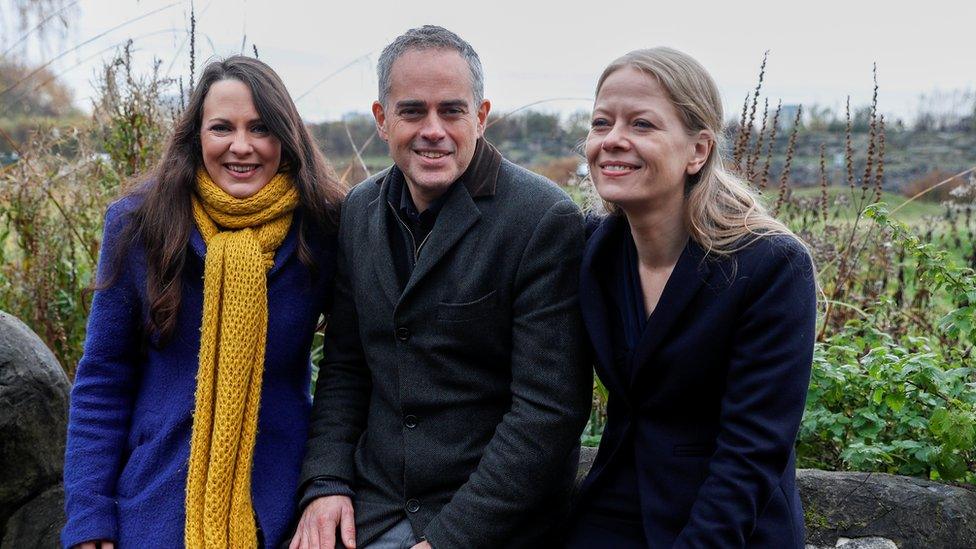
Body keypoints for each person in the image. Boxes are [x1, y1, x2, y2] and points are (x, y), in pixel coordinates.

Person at [291, 25, 591, 549]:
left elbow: (548, 412)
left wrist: (449, 540)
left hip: (490, 518)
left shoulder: (541, 219)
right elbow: (345, 367)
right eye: (412, 111)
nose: (434, 130)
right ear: (382, 120)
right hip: (376, 499)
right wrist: (326, 482)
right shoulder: (359, 212)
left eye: (452, 111)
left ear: (481, 115)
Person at [61, 56, 343, 549]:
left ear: (286, 137)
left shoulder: (321, 230)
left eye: (261, 128)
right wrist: (90, 517)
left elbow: (352, 371)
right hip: (155, 499)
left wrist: (328, 485)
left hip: (283, 500)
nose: (242, 146)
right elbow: (104, 379)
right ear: (197, 136)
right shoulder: (139, 226)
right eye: (222, 127)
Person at [565, 48, 817, 548]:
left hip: (729, 527)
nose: (612, 140)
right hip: (614, 512)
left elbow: (752, 452)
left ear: (698, 150)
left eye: (641, 125)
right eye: (601, 123)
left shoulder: (771, 267)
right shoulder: (592, 251)